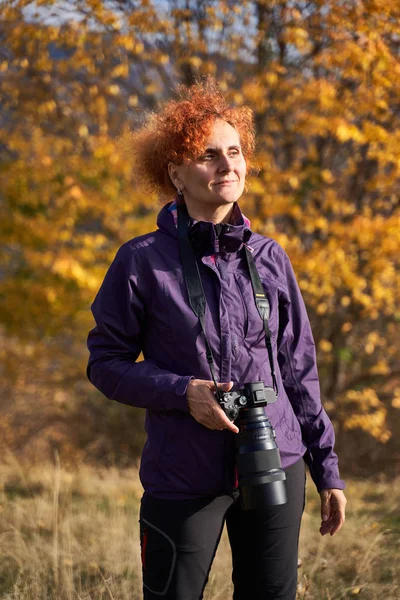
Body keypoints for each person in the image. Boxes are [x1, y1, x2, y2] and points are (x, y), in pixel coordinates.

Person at [86, 78, 346, 600]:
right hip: (181, 473)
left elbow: (299, 371)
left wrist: (328, 470)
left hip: (277, 461)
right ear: (176, 173)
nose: (227, 165)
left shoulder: (270, 258)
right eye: (208, 155)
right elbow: (106, 363)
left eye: (234, 151)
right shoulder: (140, 261)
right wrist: (182, 391)